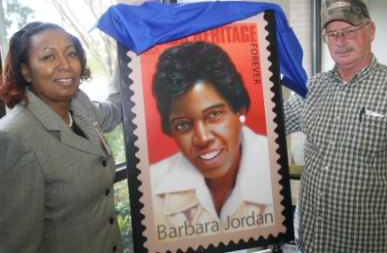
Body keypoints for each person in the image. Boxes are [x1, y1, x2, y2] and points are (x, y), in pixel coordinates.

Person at [284, 0, 387, 252]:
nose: (340, 41)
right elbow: (272, 122)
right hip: (312, 241)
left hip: (371, 244)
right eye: (332, 35)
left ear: (370, 31)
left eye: (349, 31)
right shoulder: (310, 88)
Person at [0, 22, 123, 253]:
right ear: (25, 70)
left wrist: (123, 64)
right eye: (48, 57)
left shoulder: (80, 105)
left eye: (71, 54)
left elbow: (117, 109)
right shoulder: (13, 138)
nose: (65, 65)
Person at [150, 41, 274, 241]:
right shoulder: (151, 183)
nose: (203, 139)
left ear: (240, 110)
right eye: (182, 125)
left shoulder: (273, 163)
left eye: (214, 114)